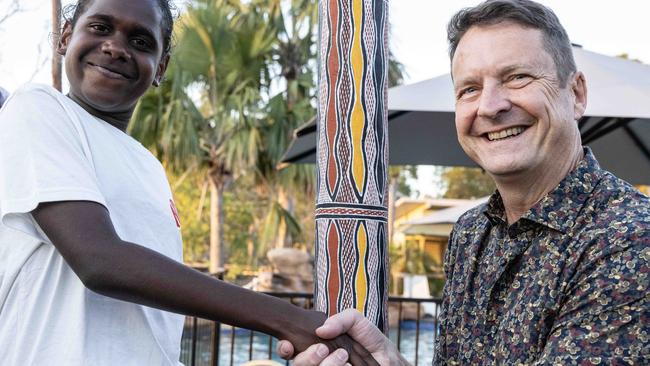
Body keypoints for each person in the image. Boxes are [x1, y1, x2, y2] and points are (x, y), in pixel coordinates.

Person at [0, 0, 378, 365]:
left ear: (160, 67)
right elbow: (98, 258)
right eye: (100, 28)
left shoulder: (149, 167)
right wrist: (289, 320)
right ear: (66, 36)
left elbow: (149, 325)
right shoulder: (38, 107)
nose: (115, 47)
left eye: (140, 41)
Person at [276, 0, 650, 364]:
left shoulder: (631, 239)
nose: (489, 106)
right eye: (469, 89)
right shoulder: (470, 235)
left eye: (517, 77)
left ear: (577, 94)